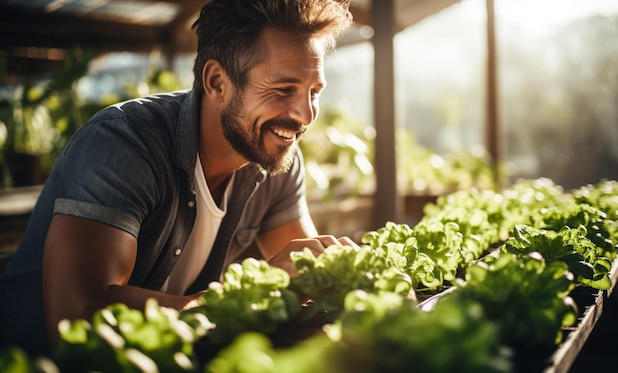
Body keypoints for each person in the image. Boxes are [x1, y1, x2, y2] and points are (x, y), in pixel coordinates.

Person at [0, 0, 356, 357]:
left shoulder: (275, 159)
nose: (305, 114)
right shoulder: (124, 144)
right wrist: (258, 290)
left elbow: (308, 278)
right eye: (283, 88)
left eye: (314, 92)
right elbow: (75, 321)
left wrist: (345, 277)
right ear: (217, 82)